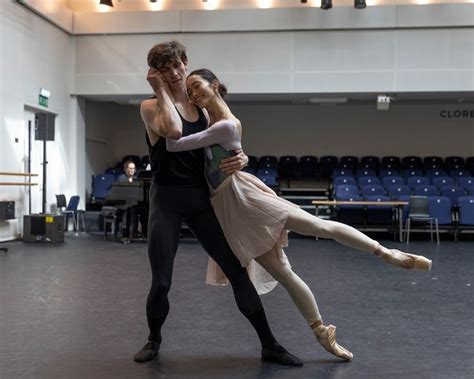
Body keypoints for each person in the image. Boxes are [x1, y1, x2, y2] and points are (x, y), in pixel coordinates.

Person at [165, 68, 433, 361]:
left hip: (243, 196)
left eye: (196, 86)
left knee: (317, 225)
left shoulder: (225, 125)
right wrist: (242, 155)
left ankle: (386, 253)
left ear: (214, 85)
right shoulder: (210, 120)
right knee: (284, 273)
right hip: (228, 204)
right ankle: (321, 332)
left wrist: (164, 94)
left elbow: (173, 143)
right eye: (189, 91)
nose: (192, 94)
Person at [134, 41, 302, 366]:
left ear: (185, 62)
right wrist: (160, 90)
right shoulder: (150, 106)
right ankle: (153, 339)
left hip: (200, 199)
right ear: (156, 74)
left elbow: (229, 143)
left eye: (176, 66)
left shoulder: (206, 110)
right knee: (162, 280)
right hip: (166, 200)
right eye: (164, 71)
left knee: (237, 272)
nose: (172, 74)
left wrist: (242, 157)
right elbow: (172, 129)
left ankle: (269, 344)